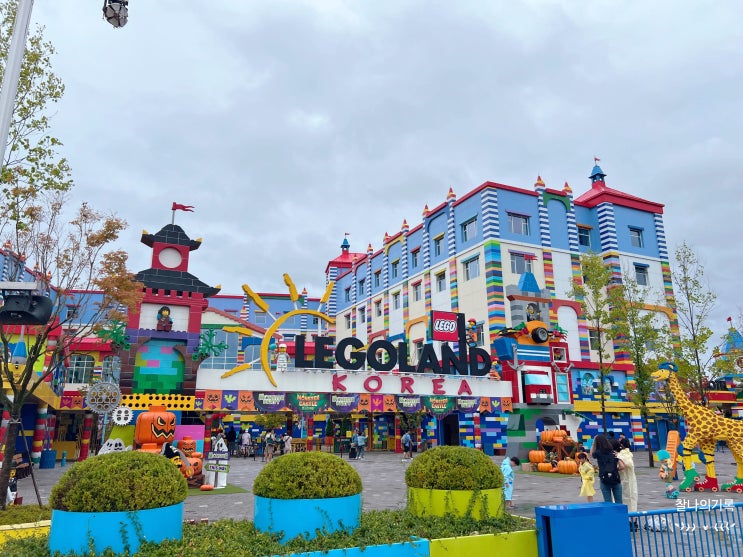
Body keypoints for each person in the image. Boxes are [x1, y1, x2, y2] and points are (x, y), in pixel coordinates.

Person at [591, 434, 624, 504]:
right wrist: (615, 469)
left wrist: (594, 443)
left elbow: (591, 454)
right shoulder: (613, 452)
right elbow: (622, 466)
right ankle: (619, 511)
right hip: (615, 478)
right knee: (619, 502)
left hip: (604, 478)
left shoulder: (598, 453)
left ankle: (610, 511)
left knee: (608, 502)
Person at [618, 437, 639, 531]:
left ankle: (633, 522)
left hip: (629, 481)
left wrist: (619, 457)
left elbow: (629, 463)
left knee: (631, 501)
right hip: (624, 481)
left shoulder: (625, 454)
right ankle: (631, 521)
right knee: (627, 501)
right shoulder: (624, 453)